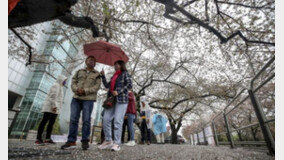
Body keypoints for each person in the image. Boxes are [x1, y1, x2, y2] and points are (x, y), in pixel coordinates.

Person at [61, 56, 101, 150]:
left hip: (89, 99)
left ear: (95, 64)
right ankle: (71, 141)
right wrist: (76, 89)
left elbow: (97, 87)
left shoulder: (97, 74)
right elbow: (73, 82)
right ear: (86, 61)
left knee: (86, 120)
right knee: (73, 119)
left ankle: (85, 140)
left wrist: (85, 91)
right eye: (90, 59)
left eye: (94, 61)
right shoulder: (79, 71)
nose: (92, 61)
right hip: (76, 97)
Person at [98, 60, 132, 151]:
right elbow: (107, 86)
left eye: (117, 64)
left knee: (117, 121)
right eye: (114, 64)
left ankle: (117, 143)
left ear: (121, 65)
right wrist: (103, 76)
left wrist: (119, 91)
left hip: (122, 100)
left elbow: (129, 85)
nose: (115, 66)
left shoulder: (125, 73)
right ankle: (108, 140)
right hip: (111, 101)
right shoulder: (114, 76)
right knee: (105, 119)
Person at [35, 75, 67, 145]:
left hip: (55, 108)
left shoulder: (60, 87)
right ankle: (38, 139)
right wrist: (54, 106)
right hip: (50, 107)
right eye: (64, 80)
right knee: (44, 121)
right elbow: (52, 96)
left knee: (51, 124)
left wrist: (57, 108)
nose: (65, 82)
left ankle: (47, 139)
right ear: (61, 80)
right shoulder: (56, 85)